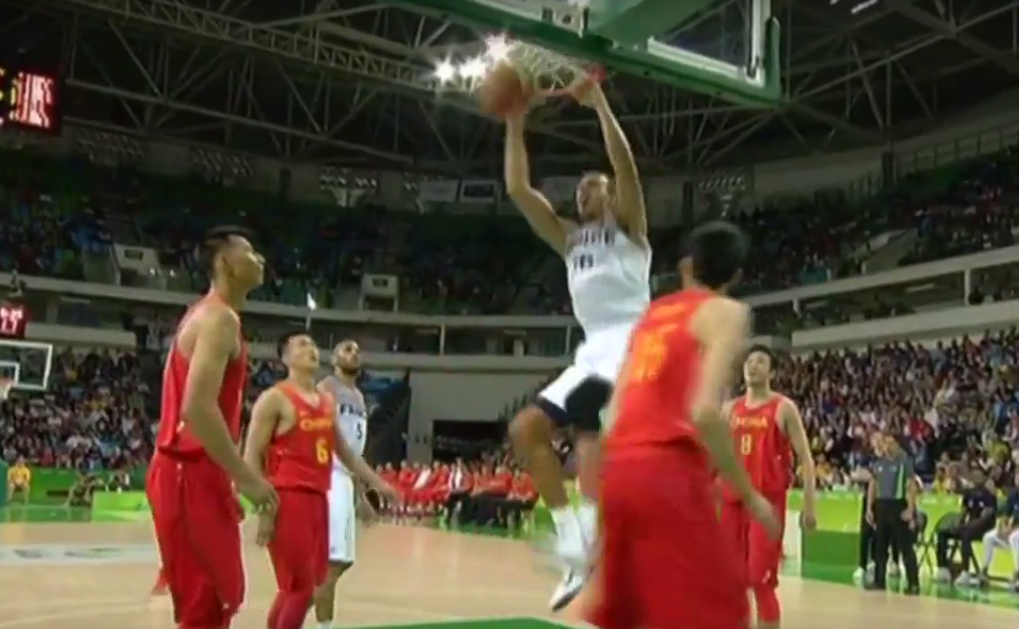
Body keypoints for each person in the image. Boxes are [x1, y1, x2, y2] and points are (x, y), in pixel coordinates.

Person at [503, 75, 651, 610]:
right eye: (582, 186)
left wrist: (599, 104)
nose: (587, 189)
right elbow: (520, 190)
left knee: (590, 415)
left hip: (633, 343)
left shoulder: (631, 229)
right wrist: (515, 121)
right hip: (590, 350)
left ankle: (591, 533)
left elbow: (626, 165)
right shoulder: (570, 239)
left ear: (612, 195)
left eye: (596, 184)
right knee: (524, 429)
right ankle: (572, 538)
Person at [586, 221, 780, 629]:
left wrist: (601, 500)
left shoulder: (653, 314)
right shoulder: (727, 312)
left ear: (687, 268)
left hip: (619, 470)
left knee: (630, 615)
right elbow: (705, 412)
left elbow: (612, 416)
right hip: (667, 471)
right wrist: (751, 496)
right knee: (722, 608)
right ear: (737, 275)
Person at [147, 226, 277, 629]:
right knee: (207, 602)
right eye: (250, 252)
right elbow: (198, 409)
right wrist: (248, 478)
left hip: (198, 471)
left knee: (218, 599)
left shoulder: (216, 316)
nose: (261, 260)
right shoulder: (218, 318)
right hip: (187, 469)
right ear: (225, 263)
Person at [244, 333, 398, 629]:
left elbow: (348, 455)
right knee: (301, 590)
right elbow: (251, 455)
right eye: (301, 345)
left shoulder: (326, 402)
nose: (310, 349)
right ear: (286, 358)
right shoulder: (275, 398)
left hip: (319, 496)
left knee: (305, 584)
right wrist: (264, 507)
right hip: (288, 496)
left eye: (313, 344)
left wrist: (379, 485)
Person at [719, 345, 817, 629]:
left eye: (761, 361)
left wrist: (809, 505)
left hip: (766, 506)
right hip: (731, 503)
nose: (753, 366)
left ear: (772, 371)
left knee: (760, 583)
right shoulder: (729, 410)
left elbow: (806, 459)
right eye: (749, 361)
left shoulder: (783, 408)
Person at [311, 339, 379, 629]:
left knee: (342, 561)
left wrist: (360, 494)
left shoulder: (360, 397)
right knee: (331, 562)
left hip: (345, 479)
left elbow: (355, 451)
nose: (353, 352)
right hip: (328, 475)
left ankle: (303, 609)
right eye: (346, 349)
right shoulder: (326, 387)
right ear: (334, 358)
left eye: (357, 349)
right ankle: (301, 615)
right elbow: (325, 438)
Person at [864, 434, 920, 594]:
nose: (887, 446)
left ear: (898, 445)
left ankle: (913, 584)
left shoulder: (904, 462)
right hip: (882, 506)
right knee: (880, 546)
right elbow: (873, 485)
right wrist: (869, 508)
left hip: (898, 505)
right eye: (885, 443)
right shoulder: (878, 463)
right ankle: (879, 581)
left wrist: (910, 508)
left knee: (905, 547)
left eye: (891, 443)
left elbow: (911, 485)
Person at [934, 467, 997, 585]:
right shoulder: (968, 493)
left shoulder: (989, 495)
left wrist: (969, 525)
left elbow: (986, 516)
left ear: (984, 478)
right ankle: (942, 567)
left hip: (983, 528)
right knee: (943, 532)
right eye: (974, 475)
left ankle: (965, 571)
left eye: (979, 475)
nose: (977, 478)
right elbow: (964, 511)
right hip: (968, 526)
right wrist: (958, 523)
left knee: (965, 534)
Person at [979, 469, 1019, 590]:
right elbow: (1005, 515)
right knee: (989, 537)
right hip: (1011, 530)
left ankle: (1017, 574)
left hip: (1016, 532)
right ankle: (984, 570)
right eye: (1017, 476)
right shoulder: (1013, 496)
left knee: (1014, 537)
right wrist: (1002, 528)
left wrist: (1011, 530)